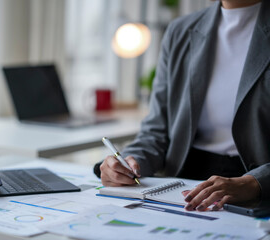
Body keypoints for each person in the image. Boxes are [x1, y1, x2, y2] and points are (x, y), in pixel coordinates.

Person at [94, 0, 270, 212]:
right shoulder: (180, 31)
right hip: (183, 183)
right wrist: (130, 163)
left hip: (257, 187)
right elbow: (156, 132)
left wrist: (255, 183)